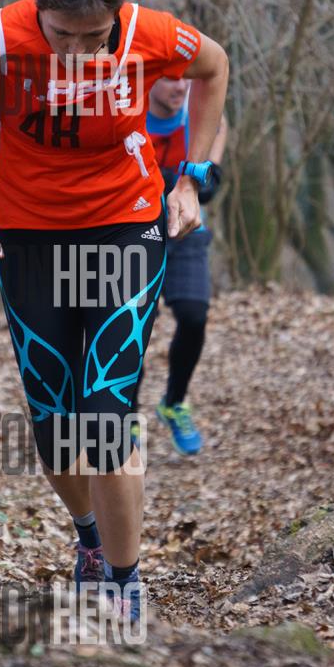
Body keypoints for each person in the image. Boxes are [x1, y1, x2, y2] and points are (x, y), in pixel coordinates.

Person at [0, 0, 229, 622]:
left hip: (125, 227)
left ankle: (124, 584)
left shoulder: (148, 33)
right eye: (63, 35)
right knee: (56, 425)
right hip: (30, 236)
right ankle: (89, 540)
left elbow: (214, 65)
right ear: (39, 9)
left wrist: (191, 178)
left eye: (95, 37)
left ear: (117, 15)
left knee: (107, 414)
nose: (79, 52)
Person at [136, 77, 229, 455]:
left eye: (185, 79)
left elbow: (208, 187)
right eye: (171, 79)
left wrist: (206, 167)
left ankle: (174, 403)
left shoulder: (200, 115)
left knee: (194, 315)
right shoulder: (130, 112)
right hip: (133, 235)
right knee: (134, 326)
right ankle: (126, 412)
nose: (180, 87)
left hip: (187, 231)